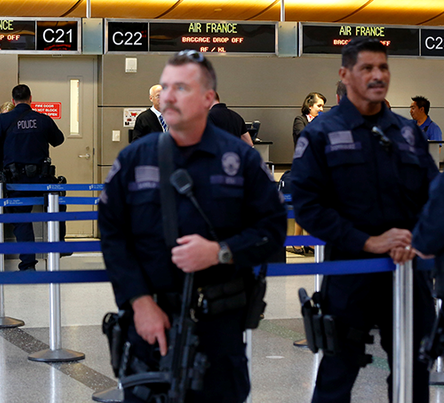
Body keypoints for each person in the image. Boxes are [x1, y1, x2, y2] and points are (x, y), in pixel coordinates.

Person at [99, 50, 286, 403]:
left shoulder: (241, 160)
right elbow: (112, 234)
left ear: (208, 98)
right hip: (152, 323)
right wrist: (139, 303)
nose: (168, 96)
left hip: (219, 325)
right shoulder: (134, 159)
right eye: (166, 86)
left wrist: (220, 252)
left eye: (181, 87)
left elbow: (272, 229)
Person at [290, 37, 437, 403]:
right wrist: (366, 241)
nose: (377, 75)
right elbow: (309, 205)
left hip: (406, 272)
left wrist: (420, 240)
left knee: (412, 373)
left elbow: (433, 193)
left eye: (383, 67)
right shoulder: (320, 134)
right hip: (351, 271)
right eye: (367, 68)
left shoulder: (405, 132)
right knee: (337, 374)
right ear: (345, 74)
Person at [0, 84, 64, 271]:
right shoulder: (43, 120)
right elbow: (58, 140)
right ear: (31, 99)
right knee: (55, 210)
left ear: (13, 100)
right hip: (42, 180)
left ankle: (28, 264)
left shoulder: (4, 119)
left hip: (17, 180)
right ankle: (60, 246)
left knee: (21, 218)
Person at [289, 92, 326, 255]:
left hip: (319, 167)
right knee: (304, 203)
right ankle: (302, 241)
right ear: (310, 106)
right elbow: (304, 136)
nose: (321, 109)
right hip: (304, 167)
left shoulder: (322, 121)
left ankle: (306, 241)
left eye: (323, 106)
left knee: (314, 204)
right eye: (319, 106)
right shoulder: (300, 120)